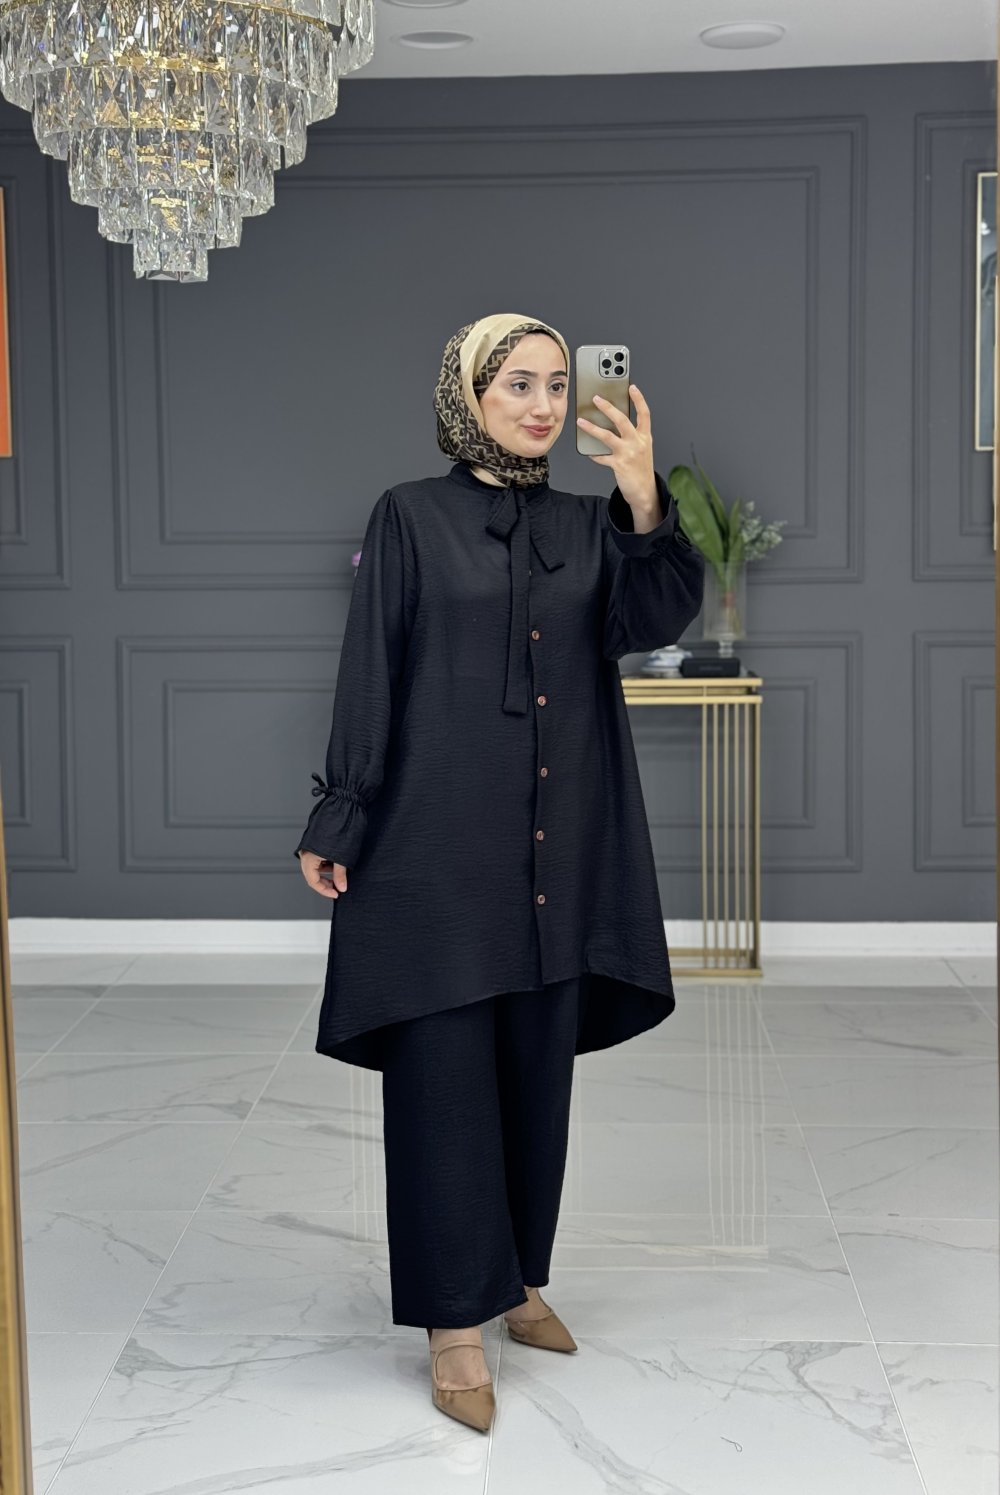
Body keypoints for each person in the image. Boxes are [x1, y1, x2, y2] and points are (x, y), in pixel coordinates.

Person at [294, 313, 705, 1432]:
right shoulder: (409, 516)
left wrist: (639, 495)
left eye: (557, 384)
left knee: (535, 1073)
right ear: (467, 394)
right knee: (443, 1082)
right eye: (516, 382)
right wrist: (341, 811)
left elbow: (657, 614)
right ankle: (453, 1324)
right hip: (433, 847)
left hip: (560, 846)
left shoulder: (587, 525)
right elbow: (371, 666)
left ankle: (518, 1279)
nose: (542, 404)